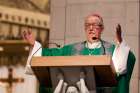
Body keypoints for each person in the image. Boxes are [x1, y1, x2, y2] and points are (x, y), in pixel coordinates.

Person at [22, 13, 136, 93]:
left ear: (101, 29)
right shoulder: (72, 49)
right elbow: (48, 55)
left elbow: (128, 59)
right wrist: (34, 45)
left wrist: (120, 43)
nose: (91, 28)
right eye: (87, 25)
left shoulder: (111, 50)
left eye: (95, 25)